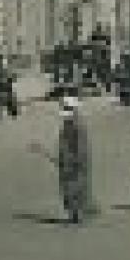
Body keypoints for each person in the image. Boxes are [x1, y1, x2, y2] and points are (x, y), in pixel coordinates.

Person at [55, 94, 94, 223]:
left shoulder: (76, 125)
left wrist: (74, 160)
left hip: (75, 161)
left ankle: (77, 211)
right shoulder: (68, 123)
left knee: (75, 186)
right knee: (69, 186)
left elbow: (80, 145)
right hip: (69, 160)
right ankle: (74, 211)